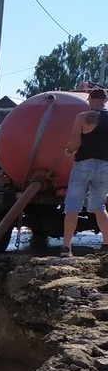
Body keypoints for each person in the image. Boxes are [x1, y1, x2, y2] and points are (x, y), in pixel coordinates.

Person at [61, 88, 108, 256]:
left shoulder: (82, 117)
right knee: (98, 206)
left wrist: (68, 151)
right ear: (106, 100)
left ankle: (66, 247)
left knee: (73, 205)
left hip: (83, 164)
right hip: (104, 166)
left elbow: (74, 143)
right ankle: (106, 244)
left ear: (89, 99)